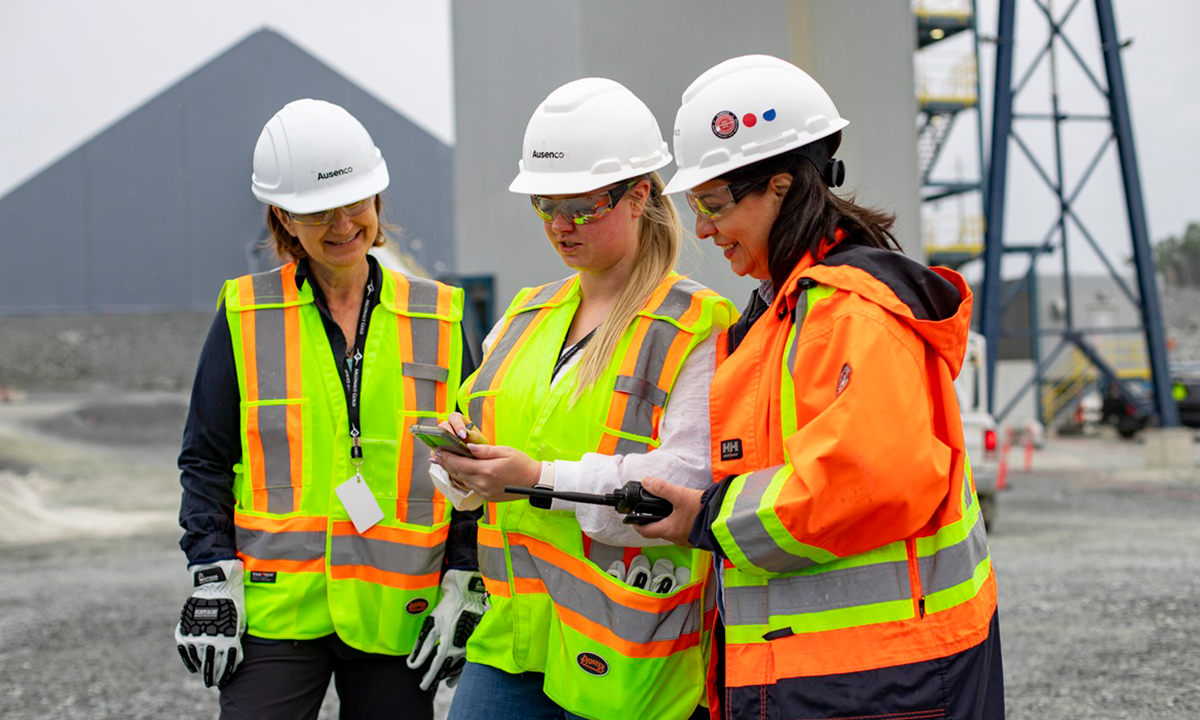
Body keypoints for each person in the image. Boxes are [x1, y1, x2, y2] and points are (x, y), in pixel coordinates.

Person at [636, 55, 1005, 720]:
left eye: (714, 204)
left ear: (779, 187)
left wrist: (704, 517)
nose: (703, 229)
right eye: (697, 206)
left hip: (886, 681)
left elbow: (866, 478)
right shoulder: (782, 313)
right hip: (832, 678)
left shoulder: (849, 315)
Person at [432, 78, 737, 720]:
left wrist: (537, 480)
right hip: (517, 631)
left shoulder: (695, 325)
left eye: (581, 206)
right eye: (544, 205)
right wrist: (462, 463)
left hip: (625, 646)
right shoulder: (525, 313)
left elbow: (686, 478)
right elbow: (481, 453)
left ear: (639, 196)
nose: (560, 226)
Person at [174, 98, 482, 720]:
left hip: (398, 611)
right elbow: (205, 459)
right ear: (284, 217)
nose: (343, 224)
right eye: (318, 211)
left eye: (356, 204)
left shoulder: (441, 314)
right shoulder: (245, 313)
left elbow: (472, 456)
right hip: (277, 612)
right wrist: (210, 568)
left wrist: (467, 573)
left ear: (377, 201)